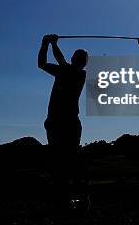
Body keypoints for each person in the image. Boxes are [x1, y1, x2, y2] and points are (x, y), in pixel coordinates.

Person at [38, 33, 89, 210]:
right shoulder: (71, 72)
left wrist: (49, 43)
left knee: (63, 162)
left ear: (78, 61)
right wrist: (48, 44)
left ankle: (69, 201)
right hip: (67, 123)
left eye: (77, 57)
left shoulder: (76, 73)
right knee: (67, 161)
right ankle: (69, 200)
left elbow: (46, 63)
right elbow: (45, 63)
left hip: (61, 123)